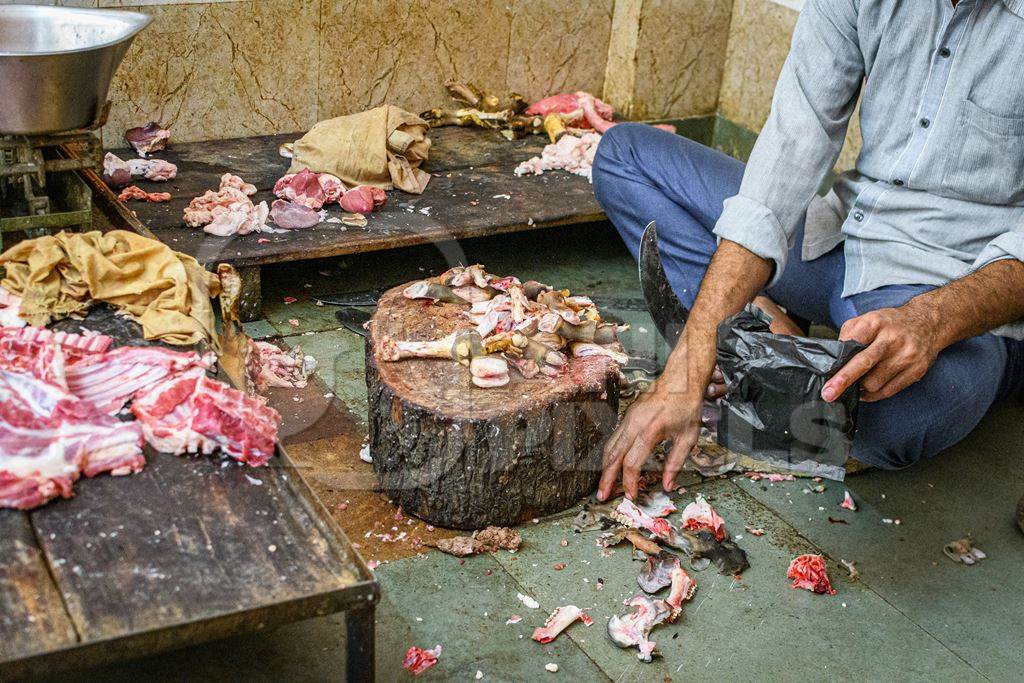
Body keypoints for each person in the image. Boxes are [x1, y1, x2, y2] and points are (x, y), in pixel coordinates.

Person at [591, 0, 1024, 504]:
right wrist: (687, 367)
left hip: (952, 282)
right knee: (624, 157)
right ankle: (767, 325)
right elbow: (791, 148)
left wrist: (930, 321)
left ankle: (984, 367)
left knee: (889, 424)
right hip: (847, 233)